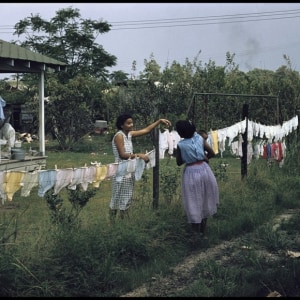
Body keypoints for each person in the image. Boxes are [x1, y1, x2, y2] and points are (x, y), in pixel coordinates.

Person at [109, 114, 171, 222]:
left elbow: (146, 130)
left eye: (132, 122)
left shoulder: (129, 134)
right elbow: (122, 155)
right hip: (120, 170)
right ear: (121, 125)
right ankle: (112, 223)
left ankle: (123, 222)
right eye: (128, 123)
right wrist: (139, 155)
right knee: (116, 198)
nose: (131, 125)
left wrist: (159, 121)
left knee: (126, 197)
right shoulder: (119, 136)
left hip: (129, 170)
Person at [175, 120, 219, 236]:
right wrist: (205, 158)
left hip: (191, 173)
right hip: (205, 170)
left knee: (193, 201)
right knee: (205, 199)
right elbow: (212, 153)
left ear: (180, 133)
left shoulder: (181, 145)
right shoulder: (200, 139)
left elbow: (179, 162)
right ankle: (202, 232)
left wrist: (188, 156)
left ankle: (195, 234)